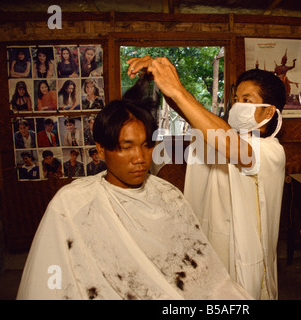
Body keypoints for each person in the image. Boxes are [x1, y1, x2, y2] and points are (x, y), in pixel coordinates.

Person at [16, 98, 251, 300]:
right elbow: (50, 281)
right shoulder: (72, 203)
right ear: (100, 150)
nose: (139, 158)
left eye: (146, 146)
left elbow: (199, 271)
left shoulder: (168, 195)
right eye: (126, 147)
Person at [127, 56, 286, 300]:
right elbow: (199, 120)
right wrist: (163, 82)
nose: (237, 105)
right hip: (210, 244)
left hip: (243, 256)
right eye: (235, 99)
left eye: (246, 100)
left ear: (267, 110)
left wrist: (178, 89)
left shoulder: (270, 151)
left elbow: (232, 148)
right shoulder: (224, 137)